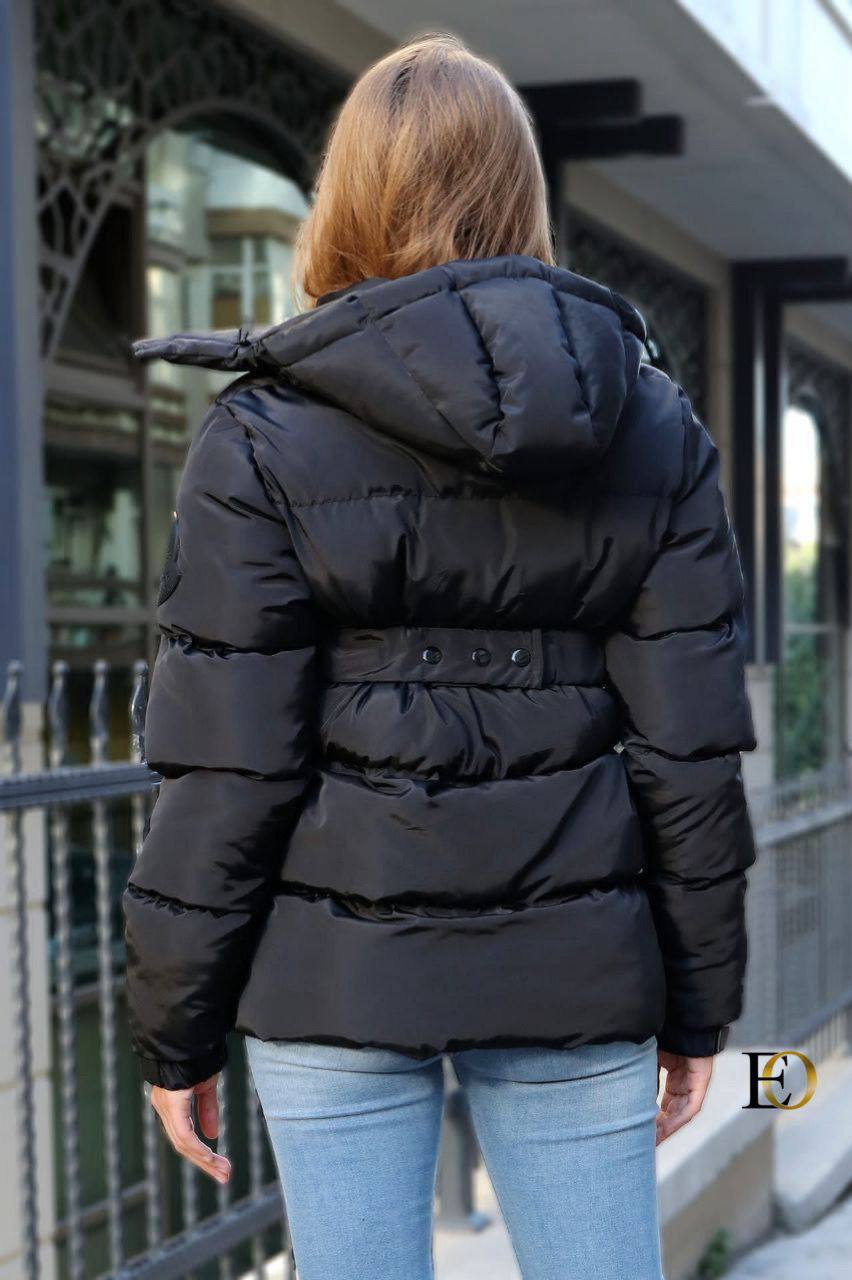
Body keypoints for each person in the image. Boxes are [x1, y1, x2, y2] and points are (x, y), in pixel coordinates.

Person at [123, 32, 757, 1280]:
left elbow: (230, 766)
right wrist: (699, 1003)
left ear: (345, 196)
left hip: (335, 968)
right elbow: (688, 753)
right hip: (577, 964)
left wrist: (174, 1023)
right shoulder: (649, 426)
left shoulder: (260, 433)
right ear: (522, 195)